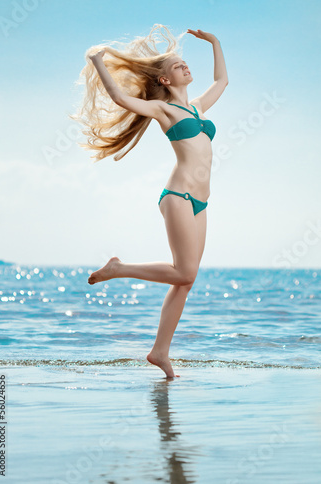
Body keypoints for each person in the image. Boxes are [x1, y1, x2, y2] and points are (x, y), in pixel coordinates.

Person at [71, 24, 228, 378]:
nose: (185, 67)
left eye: (185, 62)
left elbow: (222, 82)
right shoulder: (164, 110)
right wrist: (98, 61)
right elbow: (122, 100)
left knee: (185, 281)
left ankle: (160, 351)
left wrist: (216, 43)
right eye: (177, 66)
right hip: (178, 197)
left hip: (201, 202)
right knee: (184, 272)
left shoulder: (199, 109)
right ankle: (119, 269)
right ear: (165, 82)